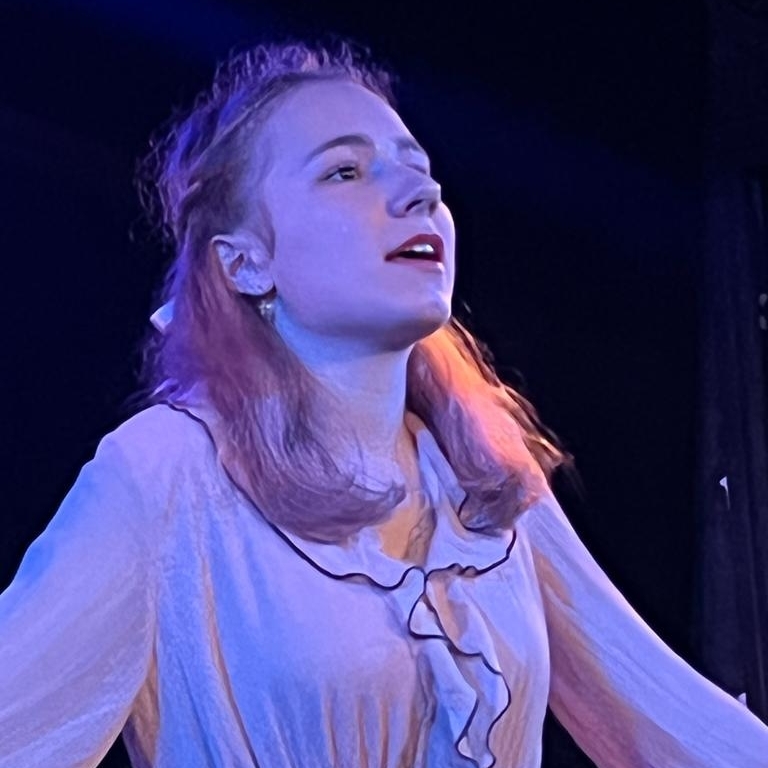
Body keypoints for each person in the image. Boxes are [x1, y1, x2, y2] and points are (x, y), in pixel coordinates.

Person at [1, 39, 767, 768]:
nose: (421, 193)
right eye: (345, 172)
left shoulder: (484, 482)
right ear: (245, 263)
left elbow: (675, 727)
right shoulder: (165, 475)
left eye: (420, 170)